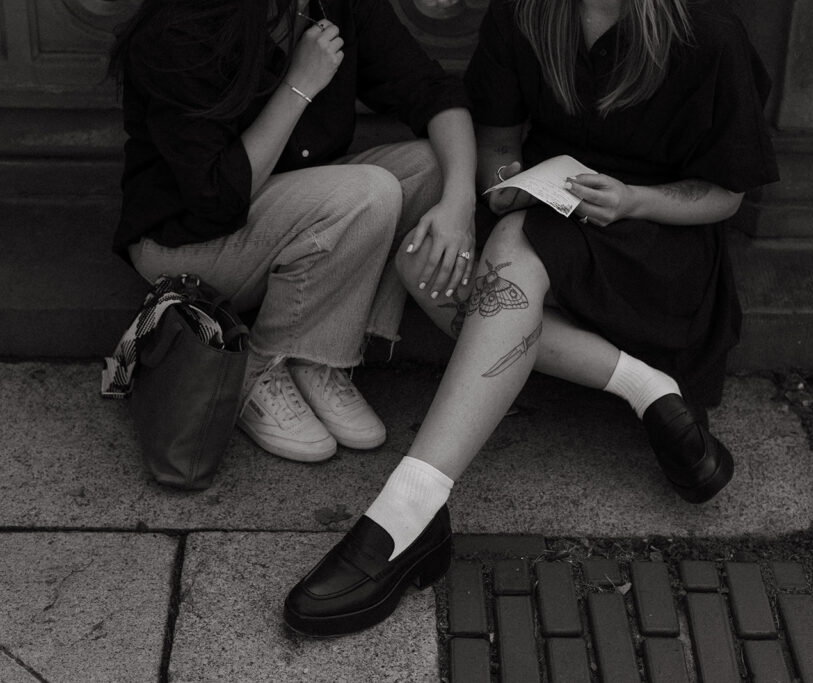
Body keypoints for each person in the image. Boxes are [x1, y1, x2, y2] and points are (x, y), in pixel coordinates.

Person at [283, 0, 778, 637]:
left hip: (658, 251)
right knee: (421, 263)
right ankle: (643, 385)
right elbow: (497, 139)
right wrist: (505, 182)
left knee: (515, 245)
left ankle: (409, 511)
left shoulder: (706, 32)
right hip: (552, 214)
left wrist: (634, 200)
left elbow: (727, 194)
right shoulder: (528, 11)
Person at [108, 0, 477, 463]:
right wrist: (300, 84)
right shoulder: (183, 25)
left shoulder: (335, 4)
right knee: (370, 191)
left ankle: (319, 358)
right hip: (189, 244)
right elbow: (217, 197)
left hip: (291, 220)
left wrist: (460, 202)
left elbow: (431, 90)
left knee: (433, 167)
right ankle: (260, 367)